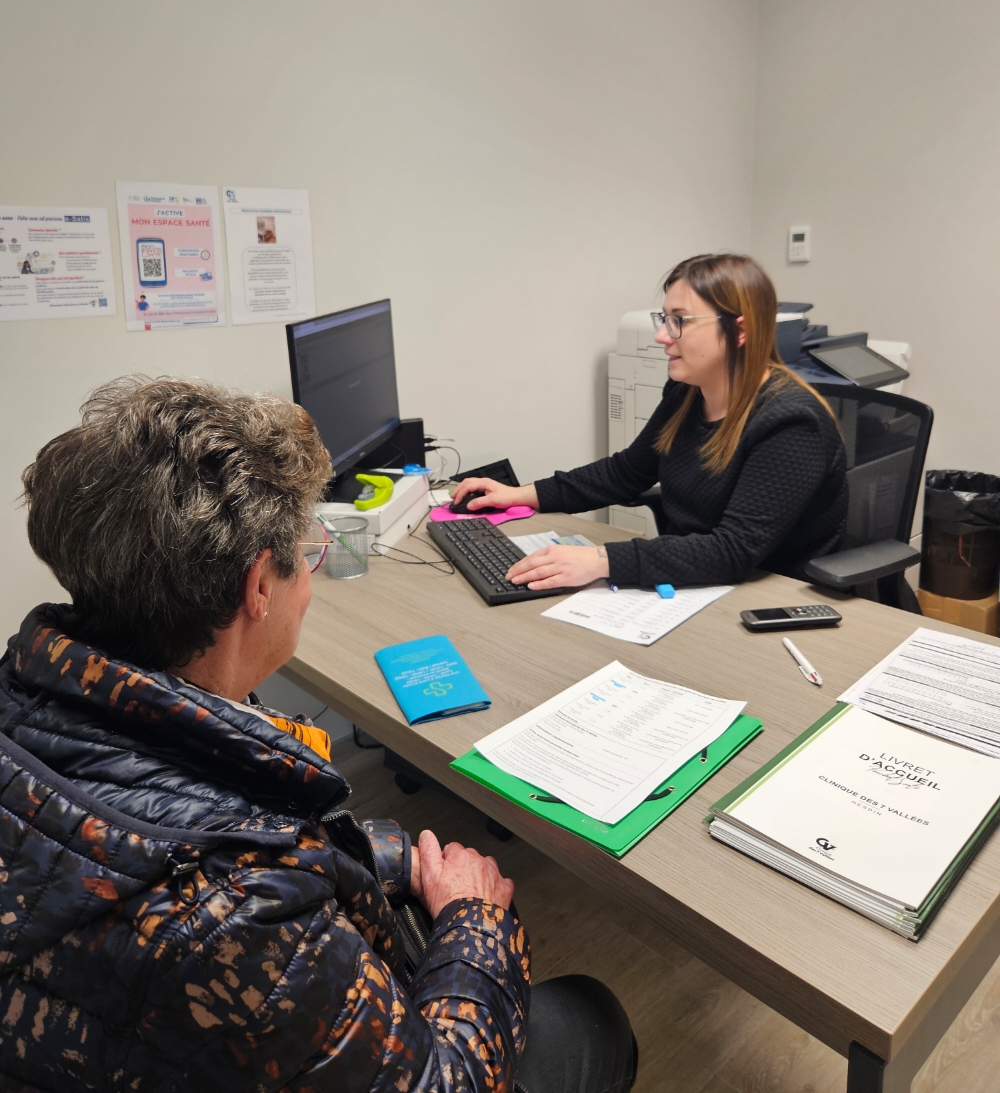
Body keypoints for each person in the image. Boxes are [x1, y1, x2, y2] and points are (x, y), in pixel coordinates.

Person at [0, 376, 637, 1093]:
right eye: (304, 553)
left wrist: (384, 857)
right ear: (258, 588)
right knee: (593, 1014)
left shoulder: (26, 698)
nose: (310, 572)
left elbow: (253, 832)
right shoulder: (238, 907)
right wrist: (472, 918)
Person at [452, 252, 847, 592]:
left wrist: (600, 559)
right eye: (664, 318)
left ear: (739, 330)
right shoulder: (687, 392)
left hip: (768, 596)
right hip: (695, 584)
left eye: (679, 320)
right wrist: (519, 494)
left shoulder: (792, 422)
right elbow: (626, 472)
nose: (661, 335)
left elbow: (734, 550)